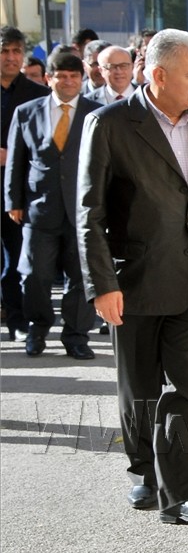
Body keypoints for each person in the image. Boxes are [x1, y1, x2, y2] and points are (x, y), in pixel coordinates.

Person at [78, 28, 188, 526]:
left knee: (186, 387)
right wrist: (102, 284)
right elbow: (90, 212)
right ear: (159, 75)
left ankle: (184, 494)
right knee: (140, 387)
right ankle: (145, 468)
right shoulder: (110, 124)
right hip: (135, 281)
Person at [5, 50, 101, 358]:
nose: (68, 82)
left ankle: (76, 336)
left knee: (81, 277)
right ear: (49, 79)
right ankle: (37, 328)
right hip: (38, 209)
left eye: (74, 76)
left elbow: (107, 165)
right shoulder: (27, 112)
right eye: (62, 76)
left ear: (82, 79)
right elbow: (16, 162)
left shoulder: (96, 113)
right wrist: (13, 201)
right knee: (34, 276)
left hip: (83, 211)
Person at [1, 25, 49, 341]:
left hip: (18, 193)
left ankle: (19, 320)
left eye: (17, 51)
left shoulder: (37, 96)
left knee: (17, 260)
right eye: (5, 51)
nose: (11, 58)